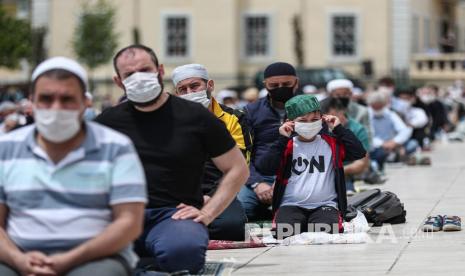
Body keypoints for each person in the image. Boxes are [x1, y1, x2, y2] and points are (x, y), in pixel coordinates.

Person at [95, 45, 249, 273]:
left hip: (173, 215)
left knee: (183, 250)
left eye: (145, 70)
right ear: (119, 81)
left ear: (160, 71)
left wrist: (208, 213)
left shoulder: (196, 117)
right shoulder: (106, 123)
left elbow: (237, 168)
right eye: (129, 74)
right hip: (120, 214)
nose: (139, 77)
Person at [0, 56, 147, 276]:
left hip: (96, 258)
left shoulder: (115, 148)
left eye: (67, 99)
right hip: (17, 257)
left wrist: (68, 260)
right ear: (32, 101)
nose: (56, 108)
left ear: (85, 102)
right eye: (46, 99)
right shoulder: (6, 148)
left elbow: (129, 222)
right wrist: (19, 260)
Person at [254, 95, 366, 239]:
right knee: (283, 234)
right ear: (290, 122)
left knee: (326, 234)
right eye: (302, 121)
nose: (309, 124)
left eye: (314, 120)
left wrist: (338, 128)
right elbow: (265, 167)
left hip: (325, 204)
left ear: (322, 119)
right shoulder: (286, 145)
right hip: (291, 204)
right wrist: (282, 139)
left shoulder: (331, 143)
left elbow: (359, 152)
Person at [171, 63, 251, 241]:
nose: (190, 92)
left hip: (220, 190)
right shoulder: (169, 121)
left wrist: (211, 198)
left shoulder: (234, 119)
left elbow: (239, 167)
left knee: (232, 227)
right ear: (177, 94)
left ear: (210, 85)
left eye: (194, 86)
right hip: (180, 193)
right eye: (183, 89)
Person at [238, 62, 299, 221]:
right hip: (260, 177)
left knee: (298, 212)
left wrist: (283, 182)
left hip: (296, 176)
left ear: (296, 83)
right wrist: (257, 183)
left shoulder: (307, 110)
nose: (280, 88)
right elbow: (242, 152)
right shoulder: (251, 111)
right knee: (242, 210)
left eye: (286, 84)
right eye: (274, 85)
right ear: (265, 85)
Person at [325, 98, 370, 195]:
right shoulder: (320, 129)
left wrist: (337, 171)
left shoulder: (357, 129)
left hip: (346, 170)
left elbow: (362, 162)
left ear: (341, 111)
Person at [367, 91, 412, 172]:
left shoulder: (391, 114)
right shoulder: (366, 115)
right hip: (374, 146)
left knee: (412, 144)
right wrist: (382, 144)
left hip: (392, 144)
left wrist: (394, 142)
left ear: (384, 105)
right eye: (375, 107)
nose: (377, 109)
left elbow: (404, 130)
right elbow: (367, 135)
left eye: (379, 106)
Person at [323, 79, 372, 146]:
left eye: (345, 94)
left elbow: (367, 135)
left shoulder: (362, 111)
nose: (342, 97)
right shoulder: (324, 109)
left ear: (351, 94)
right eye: (338, 95)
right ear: (330, 95)